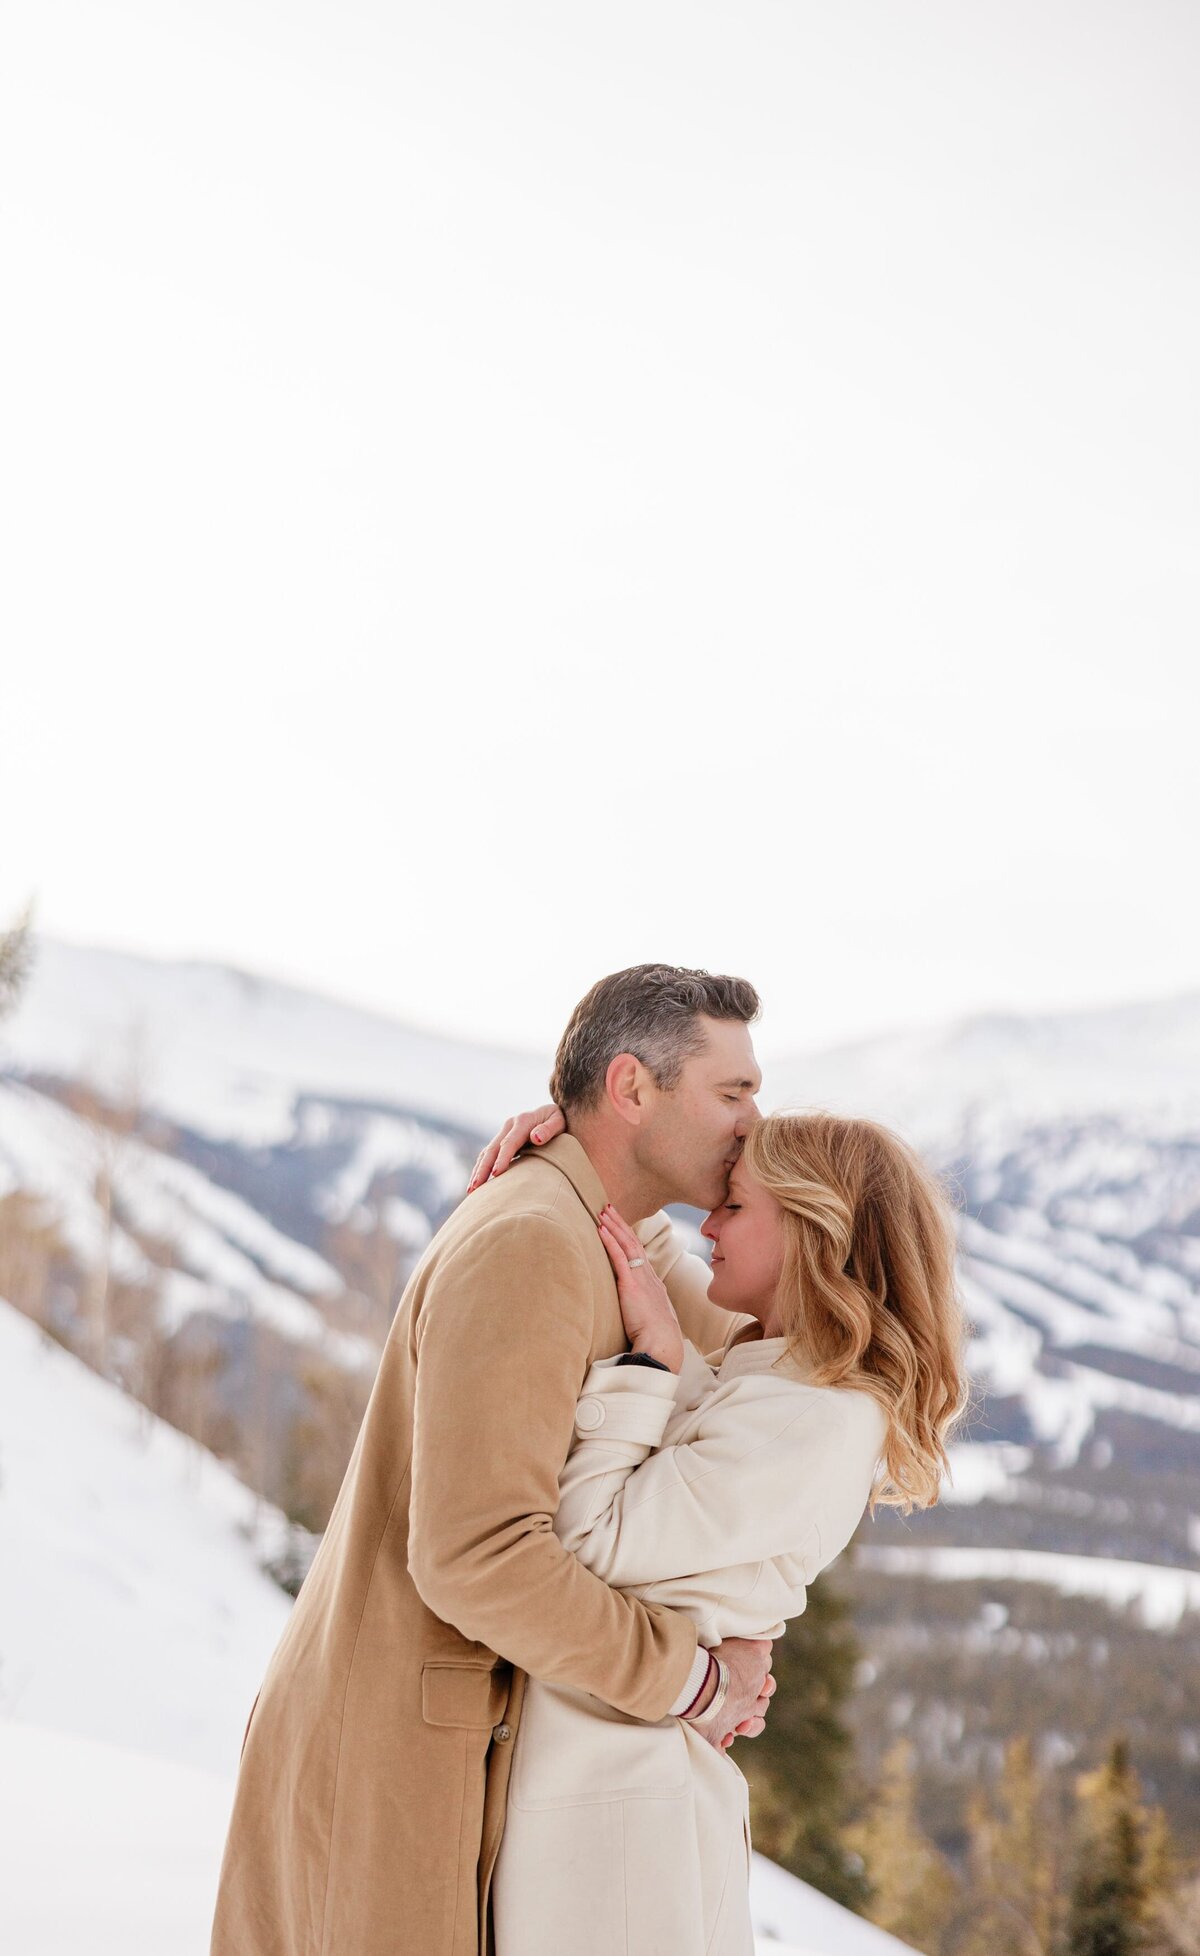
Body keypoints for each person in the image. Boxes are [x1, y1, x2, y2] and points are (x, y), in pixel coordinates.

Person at [210, 965, 778, 1956]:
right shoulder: (530, 1242)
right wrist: (690, 1681)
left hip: (445, 1756)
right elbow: (478, 1556)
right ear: (634, 1088)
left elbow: (756, 1365)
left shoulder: (594, 1230)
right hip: (393, 1768)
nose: (752, 1123)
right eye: (733, 1093)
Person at [475, 1102, 969, 1955]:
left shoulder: (809, 1419)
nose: (707, 1222)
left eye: (734, 1207)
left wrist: (650, 1368)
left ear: (815, 1234)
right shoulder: (779, 1376)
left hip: (616, 1809)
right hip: (611, 1781)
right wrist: (594, 1147)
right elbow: (647, 1260)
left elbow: (588, 1542)